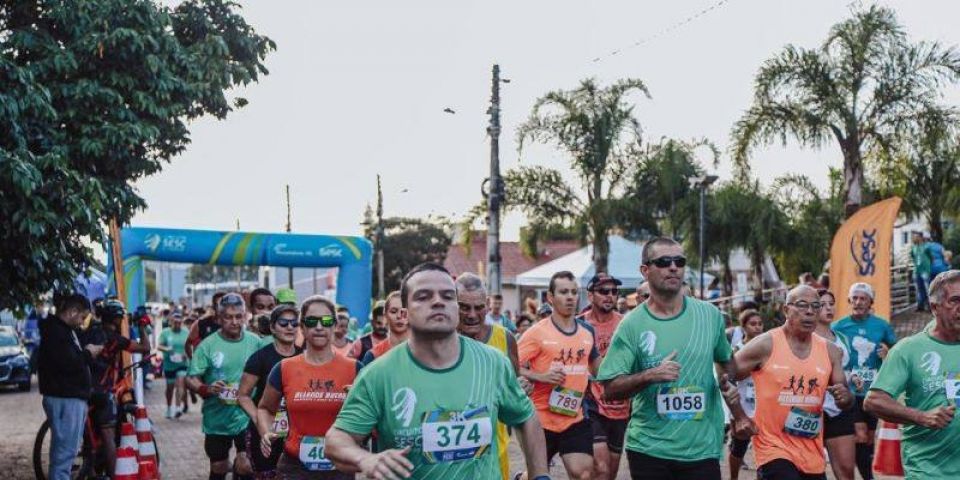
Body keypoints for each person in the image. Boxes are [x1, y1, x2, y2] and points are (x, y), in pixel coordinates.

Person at [325, 262, 550, 479]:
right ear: (405, 313)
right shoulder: (379, 374)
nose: (438, 302)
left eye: (448, 296)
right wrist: (366, 459)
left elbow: (526, 416)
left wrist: (540, 475)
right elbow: (337, 440)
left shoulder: (493, 363)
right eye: (424, 296)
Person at [597, 237, 748, 480]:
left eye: (679, 261)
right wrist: (650, 375)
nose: (673, 267)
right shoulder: (631, 325)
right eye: (664, 262)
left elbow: (726, 362)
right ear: (645, 270)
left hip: (702, 448)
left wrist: (727, 383)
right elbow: (610, 389)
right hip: (650, 448)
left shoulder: (709, 316)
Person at [732, 285, 853, 479]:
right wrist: (739, 416)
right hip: (773, 448)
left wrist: (845, 397)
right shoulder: (765, 344)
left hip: (811, 452)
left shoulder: (831, 351)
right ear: (786, 310)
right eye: (802, 305)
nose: (810, 311)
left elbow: (845, 399)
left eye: (816, 306)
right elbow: (726, 375)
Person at [864, 269, 960, 479]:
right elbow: (873, 401)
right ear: (934, 307)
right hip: (929, 472)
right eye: (955, 300)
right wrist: (922, 417)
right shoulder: (908, 349)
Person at [256, 296, 358, 478]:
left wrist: (361, 403)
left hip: (340, 466)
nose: (319, 327)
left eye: (326, 321)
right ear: (302, 327)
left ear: (335, 326)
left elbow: (374, 415)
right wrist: (266, 432)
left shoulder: (355, 369)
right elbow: (265, 408)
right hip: (295, 467)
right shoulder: (284, 368)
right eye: (311, 321)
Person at [518, 271, 599, 480]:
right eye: (563, 292)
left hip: (574, 417)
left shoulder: (587, 332)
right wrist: (540, 376)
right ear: (550, 297)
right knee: (537, 475)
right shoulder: (536, 333)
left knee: (584, 474)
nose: (570, 297)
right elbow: (508, 365)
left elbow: (597, 369)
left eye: (574, 292)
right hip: (540, 420)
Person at [187, 293, 263, 480]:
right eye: (228, 317)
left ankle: (240, 469)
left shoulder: (255, 342)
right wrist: (206, 388)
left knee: (246, 464)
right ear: (219, 318)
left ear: (245, 316)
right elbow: (191, 378)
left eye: (238, 316)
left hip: (246, 416)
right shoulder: (208, 345)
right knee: (219, 467)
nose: (234, 322)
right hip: (217, 418)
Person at [455, 273, 523, 480]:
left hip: (495, 448)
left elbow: (515, 395)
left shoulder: (505, 338)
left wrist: (521, 389)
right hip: (451, 450)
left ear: (487, 305)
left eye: (478, 307)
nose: (472, 315)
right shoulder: (440, 340)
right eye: (464, 307)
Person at [831, 282, 897, 480]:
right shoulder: (838, 327)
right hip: (850, 391)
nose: (858, 302)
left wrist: (888, 353)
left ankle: (865, 471)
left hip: (873, 390)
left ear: (870, 302)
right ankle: (869, 477)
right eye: (855, 298)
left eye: (863, 298)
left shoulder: (881, 325)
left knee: (868, 438)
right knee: (859, 434)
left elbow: (897, 352)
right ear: (849, 300)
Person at [80, 298, 151, 474]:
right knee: (108, 437)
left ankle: (91, 469)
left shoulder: (88, 333)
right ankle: (113, 474)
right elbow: (145, 347)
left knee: (89, 432)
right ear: (116, 319)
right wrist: (142, 327)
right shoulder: (115, 339)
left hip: (83, 389)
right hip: (104, 391)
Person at [238, 304, 303, 479]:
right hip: (265, 431)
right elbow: (243, 395)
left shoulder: (305, 356)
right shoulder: (260, 358)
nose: (290, 327)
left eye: (294, 323)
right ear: (273, 328)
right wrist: (258, 419)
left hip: (296, 432)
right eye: (283, 323)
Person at [38, 293, 99, 480]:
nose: (82, 322)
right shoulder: (57, 333)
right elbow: (69, 364)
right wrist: (88, 353)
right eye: (82, 317)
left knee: (63, 455)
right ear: (72, 312)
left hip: (68, 398)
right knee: (64, 457)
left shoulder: (62, 330)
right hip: (66, 399)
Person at [574, 273, 628, 480]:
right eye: (604, 291)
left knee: (610, 472)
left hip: (620, 404)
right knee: (601, 468)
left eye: (614, 291)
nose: (610, 295)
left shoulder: (626, 324)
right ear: (590, 295)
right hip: (591, 403)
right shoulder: (578, 324)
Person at [813, 289, 856, 480]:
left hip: (840, 407)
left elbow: (848, 369)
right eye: (822, 305)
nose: (828, 308)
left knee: (846, 469)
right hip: (811, 409)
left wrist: (854, 379)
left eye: (831, 304)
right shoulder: (806, 338)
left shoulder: (842, 338)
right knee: (812, 470)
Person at [726, 309, 764, 480]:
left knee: (765, 447)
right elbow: (729, 377)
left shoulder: (767, 348)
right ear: (743, 327)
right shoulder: (737, 349)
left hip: (763, 404)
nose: (757, 327)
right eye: (753, 324)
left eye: (760, 324)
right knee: (739, 447)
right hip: (742, 405)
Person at [359, 291, 408, 366]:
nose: (399, 316)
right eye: (393, 311)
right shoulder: (373, 355)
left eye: (403, 311)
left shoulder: (423, 353)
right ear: (385, 315)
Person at [159, 311, 190, 418]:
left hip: (182, 363)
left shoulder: (186, 332)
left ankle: (177, 407)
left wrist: (187, 354)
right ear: (171, 322)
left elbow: (190, 346)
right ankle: (168, 408)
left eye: (179, 323)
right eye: (175, 322)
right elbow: (159, 346)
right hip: (169, 364)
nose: (177, 325)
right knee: (170, 387)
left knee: (181, 382)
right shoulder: (165, 333)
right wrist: (167, 349)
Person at [187, 291, 226, 358]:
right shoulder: (202, 323)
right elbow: (188, 344)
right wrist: (193, 360)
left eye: (223, 304)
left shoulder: (234, 325)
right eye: (217, 304)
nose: (220, 307)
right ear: (213, 306)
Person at [912, 232, 933, 311]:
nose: (914, 238)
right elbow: (913, 257)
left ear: (920, 237)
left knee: (928, 289)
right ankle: (920, 306)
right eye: (913, 237)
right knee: (918, 289)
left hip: (925, 271)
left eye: (916, 237)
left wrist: (927, 267)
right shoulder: (913, 248)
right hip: (916, 271)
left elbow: (931, 258)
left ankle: (930, 306)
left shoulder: (926, 247)